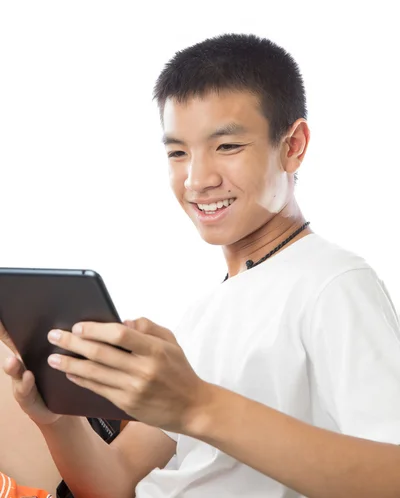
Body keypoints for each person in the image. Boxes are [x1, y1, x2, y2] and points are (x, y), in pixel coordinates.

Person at [2, 33, 400, 498]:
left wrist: (197, 404)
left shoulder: (334, 282)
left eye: (227, 146)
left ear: (292, 146)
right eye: (177, 153)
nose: (197, 179)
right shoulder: (203, 314)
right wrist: (51, 417)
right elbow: (110, 483)